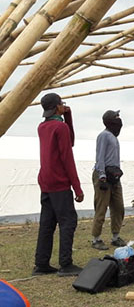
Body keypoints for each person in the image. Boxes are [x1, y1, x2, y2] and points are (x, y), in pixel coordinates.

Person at [33, 93, 84, 277]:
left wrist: (67, 115)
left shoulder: (42, 126)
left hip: (45, 181)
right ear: (57, 107)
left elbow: (68, 142)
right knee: (68, 222)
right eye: (62, 103)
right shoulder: (59, 127)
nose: (64, 105)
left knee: (47, 224)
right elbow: (67, 156)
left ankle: (41, 263)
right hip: (59, 183)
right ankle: (66, 264)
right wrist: (77, 187)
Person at [91, 110, 126, 250]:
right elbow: (100, 156)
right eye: (116, 117)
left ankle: (115, 237)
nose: (119, 120)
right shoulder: (104, 136)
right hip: (103, 174)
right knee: (101, 207)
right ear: (110, 120)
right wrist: (102, 176)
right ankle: (96, 239)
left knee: (118, 207)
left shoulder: (114, 137)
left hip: (114, 175)